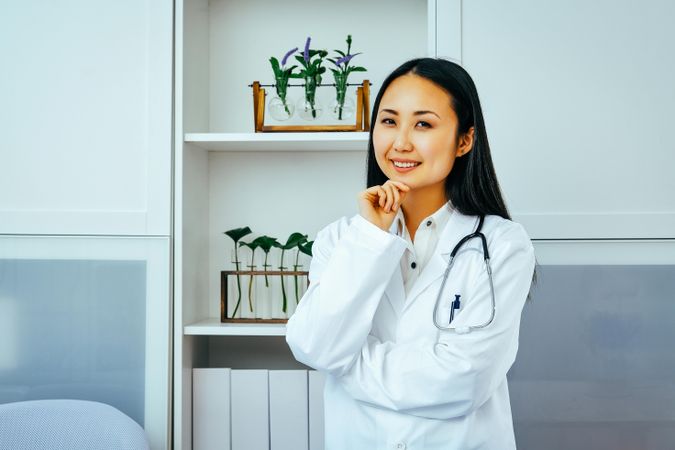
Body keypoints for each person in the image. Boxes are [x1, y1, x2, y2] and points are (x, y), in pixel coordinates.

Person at [285, 57, 538, 450]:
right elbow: (313, 346)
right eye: (388, 121)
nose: (400, 142)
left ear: (464, 140)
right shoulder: (342, 240)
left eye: (423, 124)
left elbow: (464, 381)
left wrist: (346, 363)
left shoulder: (502, 244)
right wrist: (370, 238)